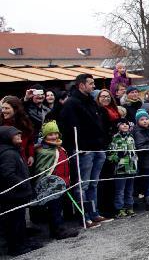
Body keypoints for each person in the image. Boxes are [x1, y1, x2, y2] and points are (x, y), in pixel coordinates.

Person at [57, 73, 110, 226]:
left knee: (93, 183)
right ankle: (84, 216)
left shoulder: (91, 102)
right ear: (81, 85)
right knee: (83, 185)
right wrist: (79, 147)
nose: (94, 86)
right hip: (84, 150)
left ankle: (94, 213)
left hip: (97, 148)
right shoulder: (72, 103)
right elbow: (71, 128)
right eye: (91, 83)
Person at [31, 121, 79, 239]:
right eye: (50, 134)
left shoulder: (60, 147)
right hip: (51, 185)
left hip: (62, 182)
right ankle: (57, 231)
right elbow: (42, 169)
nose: (54, 136)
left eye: (56, 134)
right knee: (54, 208)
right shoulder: (42, 150)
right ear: (45, 135)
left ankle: (58, 228)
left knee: (59, 207)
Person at [0, 126, 40, 255]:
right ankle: (16, 247)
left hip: (17, 194)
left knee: (20, 220)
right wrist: (23, 184)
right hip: (13, 195)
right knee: (14, 222)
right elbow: (8, 174)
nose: (19, 136)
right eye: (15, 135)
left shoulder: (13, 151)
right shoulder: (8, 153)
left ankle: (23, 242)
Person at [108, 119, 137, 218]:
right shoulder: (115, 138)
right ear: (118, 126)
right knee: (120, 190)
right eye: (122, 124)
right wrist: (117, 157)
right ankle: (119, 209)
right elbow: (110, 154)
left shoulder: (131, 137)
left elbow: (134, 152)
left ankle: (129, 207)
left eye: (127, 124)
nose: (125, 126)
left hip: (131, 167)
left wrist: (135, 163)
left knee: (130, 189)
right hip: (120, 168)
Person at [1, 96, 35, 167]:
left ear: (16, 109)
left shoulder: (25, 123)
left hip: (22, 161)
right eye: (2, 108)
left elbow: (30, 141)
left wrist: (31, 155)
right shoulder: (1, 124)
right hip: (5, 162)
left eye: (6, 108)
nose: (3, 111)